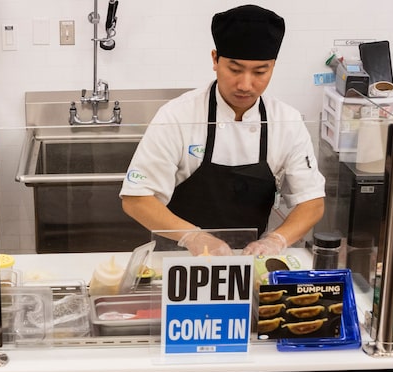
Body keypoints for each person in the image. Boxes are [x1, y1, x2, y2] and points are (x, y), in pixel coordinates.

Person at [120, 4, 325, 257]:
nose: (245, 85)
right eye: (235, 70)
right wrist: (193, 237)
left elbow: (312, 202)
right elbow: (136, 199)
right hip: (177, 259)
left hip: (249, 260)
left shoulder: (286, 122)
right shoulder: (178, 116)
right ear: (215, 60)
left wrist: (275, 240)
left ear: (273, 66)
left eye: (260, 71)